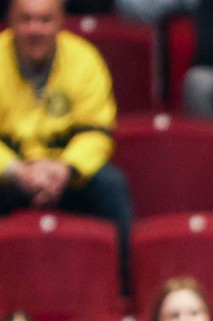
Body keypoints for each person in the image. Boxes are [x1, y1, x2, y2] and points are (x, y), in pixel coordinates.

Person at [0, 0, 133, 250]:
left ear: (60, 22)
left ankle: (123, 273)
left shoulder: (84, 58)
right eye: (26, 19)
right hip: (9, 173)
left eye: (45, 20)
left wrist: (66, 169)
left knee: (112, 185)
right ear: (10, 22)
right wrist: (17, 171)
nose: (35, 29)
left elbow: (97, 131)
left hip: (66, 171)